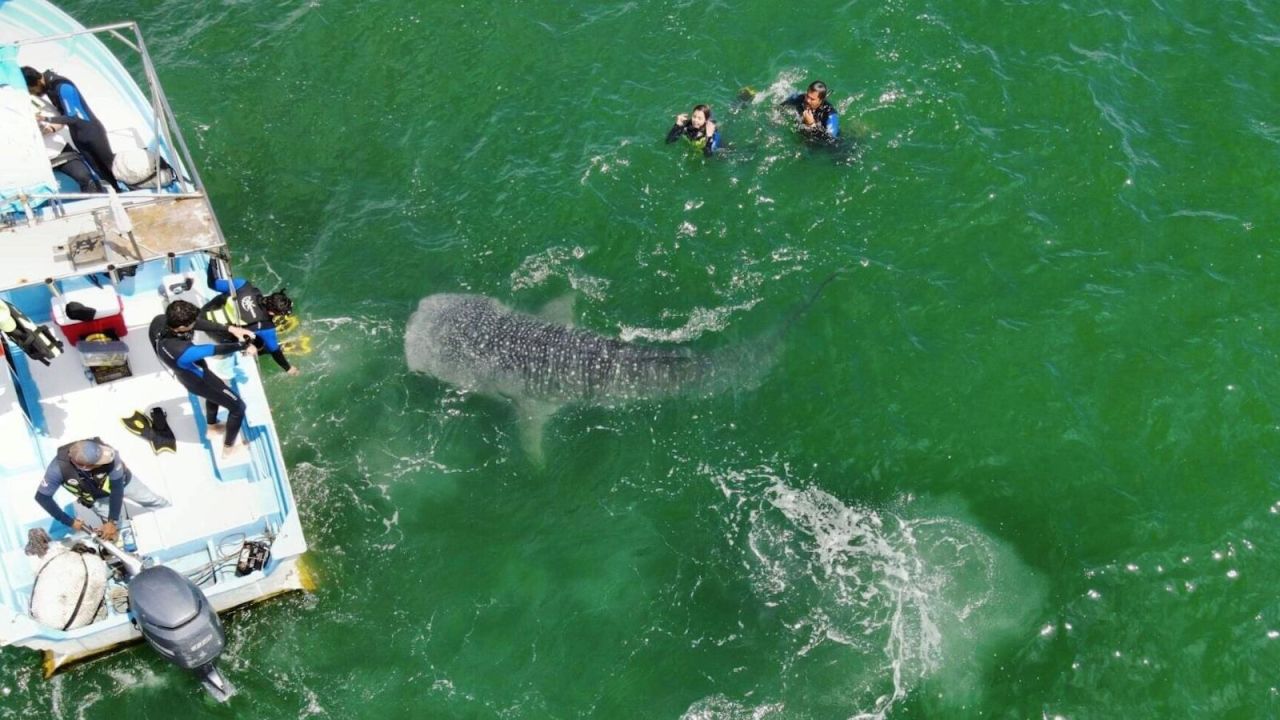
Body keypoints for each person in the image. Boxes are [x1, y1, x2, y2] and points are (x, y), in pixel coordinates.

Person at [149, 300, 255, 457]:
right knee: (238, 408)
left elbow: (197, 323)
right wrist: (244, 345)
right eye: (191, 323)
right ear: (181, 327)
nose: (195, 323)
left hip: (187, 373)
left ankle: (212, 428)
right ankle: (228, 450)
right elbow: (214, 349)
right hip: (199, 380)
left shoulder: (160, 321)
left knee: (214, 393)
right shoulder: (182, 350)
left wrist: (230, 328)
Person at [34, 439, 169, 542]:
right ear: (85, 467)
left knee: (153, 500)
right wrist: (70, 522)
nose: (105, 460)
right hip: (97, 498)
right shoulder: (56, 470)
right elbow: (42, 498)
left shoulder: (109, 453)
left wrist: (112, 521)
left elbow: (117, 489)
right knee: (112, 533)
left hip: (124, 483)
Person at [22, 66, 120, 191]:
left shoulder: (61, 86)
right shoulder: (48, 88)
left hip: (92, 133)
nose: (32, 93)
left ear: (36, 81)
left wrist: (45, 119)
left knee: (110, 165)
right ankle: (117, 193)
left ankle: (133, 191)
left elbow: (73, 118)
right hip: (77, 135)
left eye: (31, 90)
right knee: (98, 170)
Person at [200, 254, 300, 376]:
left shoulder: (243, 285)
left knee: (249, 326)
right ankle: (259, 348)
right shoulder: (266, 326)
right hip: (214, 331)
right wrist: (288, 368)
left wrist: (213, 259)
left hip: (204, 313)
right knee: (260, 344)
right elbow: (275, 351)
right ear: (272, 313)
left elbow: (213, 284)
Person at [30, 94, 102, 193]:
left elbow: (60, 119)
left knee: (87, 179)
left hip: (59, 151)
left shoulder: (33, 100)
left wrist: (49, 129)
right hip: (31, 160)